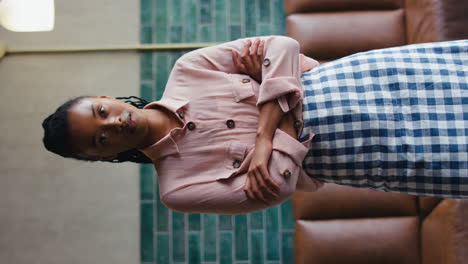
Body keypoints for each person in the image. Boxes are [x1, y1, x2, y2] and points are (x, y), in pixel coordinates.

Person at [42, 36, 468, 214]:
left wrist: (264, 140)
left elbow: (282, 45)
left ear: (105, 98)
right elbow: (276, 187)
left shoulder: (189, 68)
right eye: (101, 138)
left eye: (102, 112)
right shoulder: (178, 190)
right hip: (362, 154)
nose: (115, 123)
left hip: (368, 80)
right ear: (106, 156)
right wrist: (276, 84)